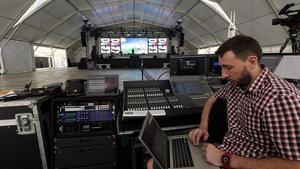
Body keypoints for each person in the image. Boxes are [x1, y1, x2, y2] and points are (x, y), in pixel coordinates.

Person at [187, 35, 300, 169]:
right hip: (224, 152)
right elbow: (211, 99)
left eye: (229, 68)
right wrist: (203, 127)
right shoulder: (237, 83)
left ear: (252, 62)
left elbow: (296, 164)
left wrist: (225, 159)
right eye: (222, 67)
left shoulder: (279, 99)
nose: (223, 74)